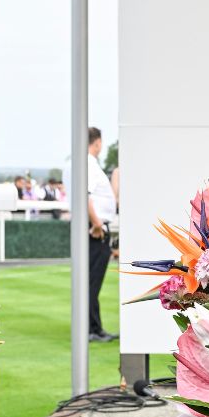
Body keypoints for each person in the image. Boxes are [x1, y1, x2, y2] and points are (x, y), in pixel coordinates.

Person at [66, 127, 118, 342]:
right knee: (91, 282)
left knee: (88, 281)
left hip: (86, 226)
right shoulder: (87, 163)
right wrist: (96, 224)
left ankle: (92, 327)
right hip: (94, 229)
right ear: (97, 143)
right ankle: (91, 329)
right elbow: (84, 194)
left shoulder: (73, 163)